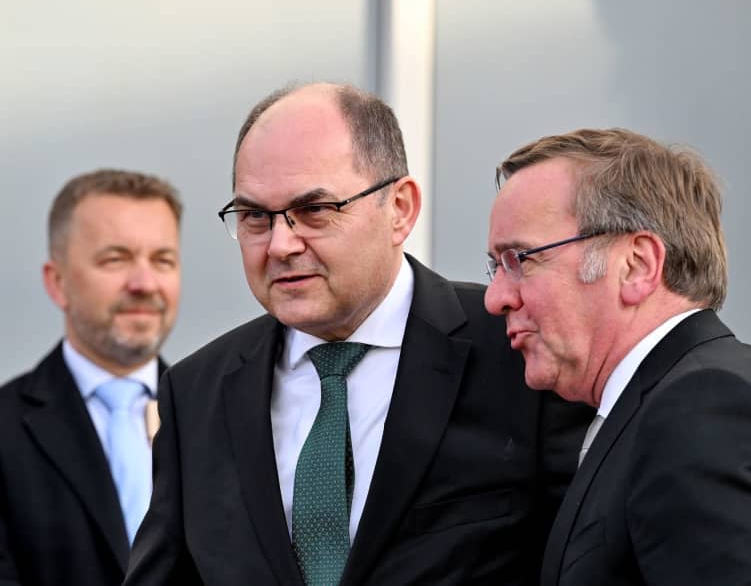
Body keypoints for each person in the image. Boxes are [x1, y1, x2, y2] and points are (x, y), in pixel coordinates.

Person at [123, 82, 593, 585]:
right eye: (256, 217)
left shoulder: (518, 352)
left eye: (315, 211)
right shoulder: (197, 393)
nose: (281, 244)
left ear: (400, 209)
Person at [484, 127, 751, 586]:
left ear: (636, 265)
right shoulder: (667, 402)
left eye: (520, 259)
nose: (496, 298)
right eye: (495, 267)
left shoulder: (700, 408)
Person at [0, 169, 182, 586]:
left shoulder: (222, 419)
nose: (144, 283)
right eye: (115, 259)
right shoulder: (6, 430)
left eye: (163, 260)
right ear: (58, 282)